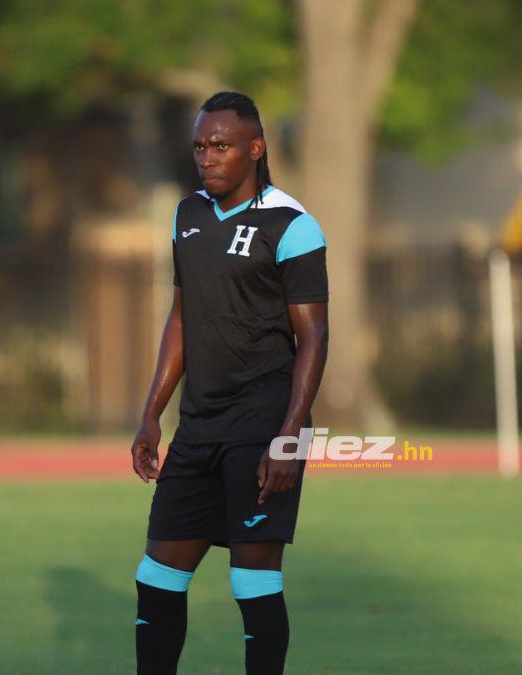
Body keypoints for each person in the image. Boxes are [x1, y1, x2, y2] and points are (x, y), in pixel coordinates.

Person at [129, 91, 329, 675]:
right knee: (157, 578)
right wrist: (151, 414)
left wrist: (289, 438)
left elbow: (314, 337)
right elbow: (181, 318)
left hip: (265, 421)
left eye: (221, 146)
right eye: (200, 147)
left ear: (255, 149)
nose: (207, 157)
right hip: (199, 424)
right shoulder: (186, 215)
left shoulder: (293, 225)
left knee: (252, 582)